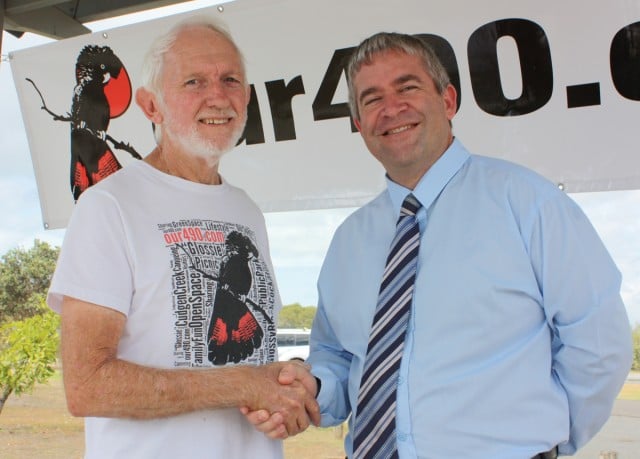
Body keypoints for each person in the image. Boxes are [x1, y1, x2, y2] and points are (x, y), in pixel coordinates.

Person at [245, 32, 633, 458]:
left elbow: (598, 347)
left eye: (407, 88)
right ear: (358, 125)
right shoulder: (349, 242)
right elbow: (337, 358)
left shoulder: (529, 204)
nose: (391, 109)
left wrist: (546, 443)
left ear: (448, 101)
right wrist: (312, 387)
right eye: (371, 99)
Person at [47, 18, 319, 459]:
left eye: (230, 79)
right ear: (151, 105)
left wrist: (281, 395)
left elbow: (252, 368)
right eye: (194, 81)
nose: (218, 95)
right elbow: (87, 384)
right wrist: (240, 384)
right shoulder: (108, 206)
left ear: (247, 98)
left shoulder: (245, 209)